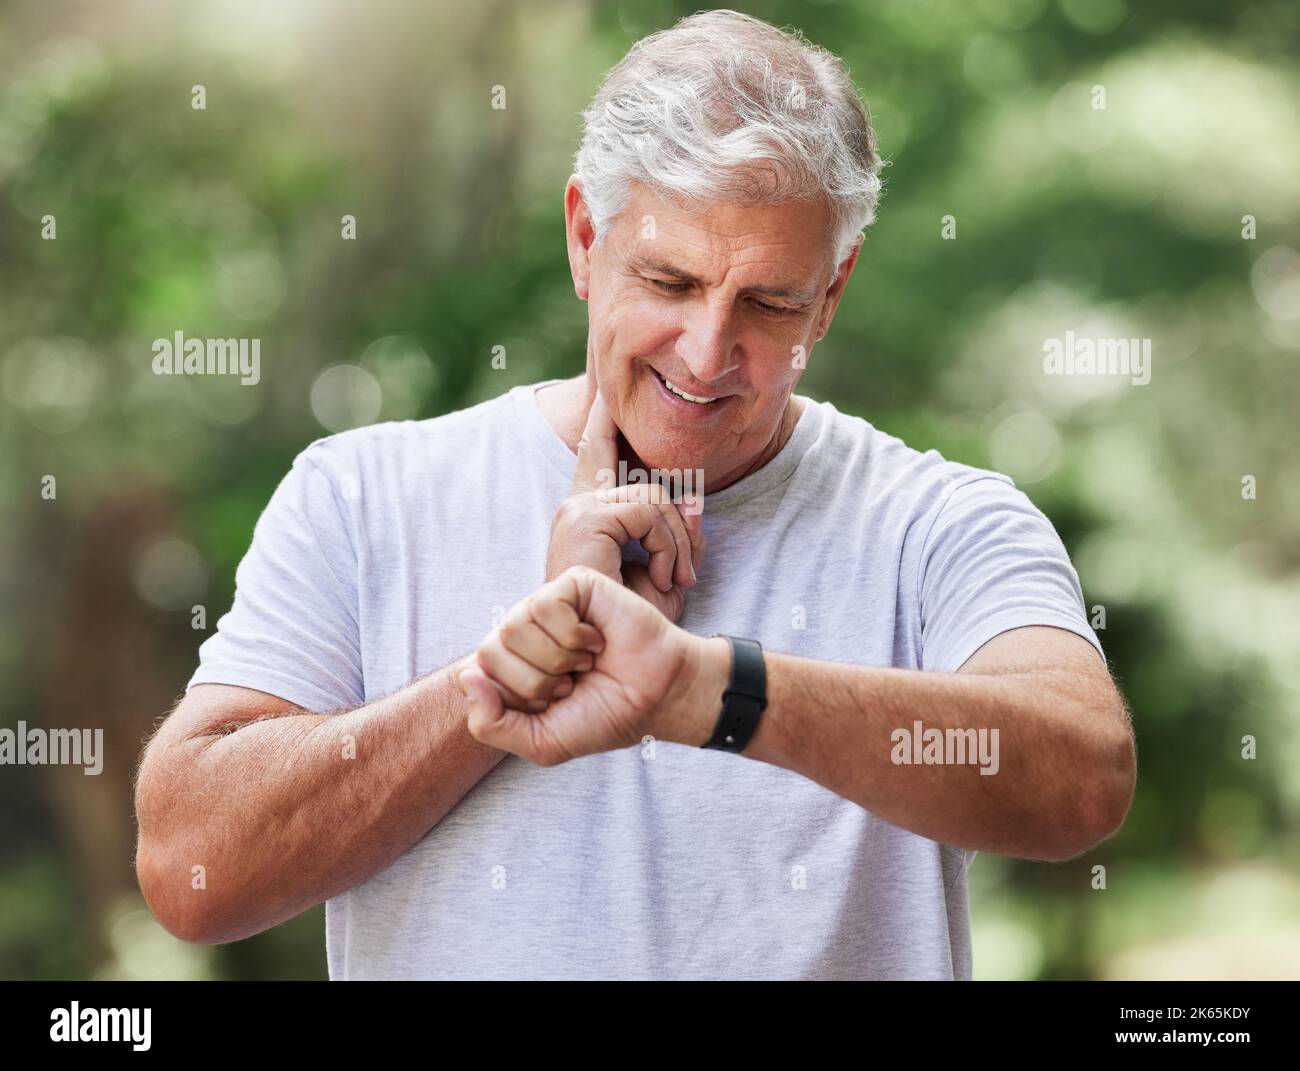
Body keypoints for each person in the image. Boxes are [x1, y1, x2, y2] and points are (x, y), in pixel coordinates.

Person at [134, 9, 1135, 980]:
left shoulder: (941, 523)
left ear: (830, 292)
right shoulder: (361, 497)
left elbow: (1083, 777)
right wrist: (506, 678)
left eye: (769, 302)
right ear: (583, 237)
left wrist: (705, 690)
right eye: (668, 282)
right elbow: (190, 870)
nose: (706, 354)